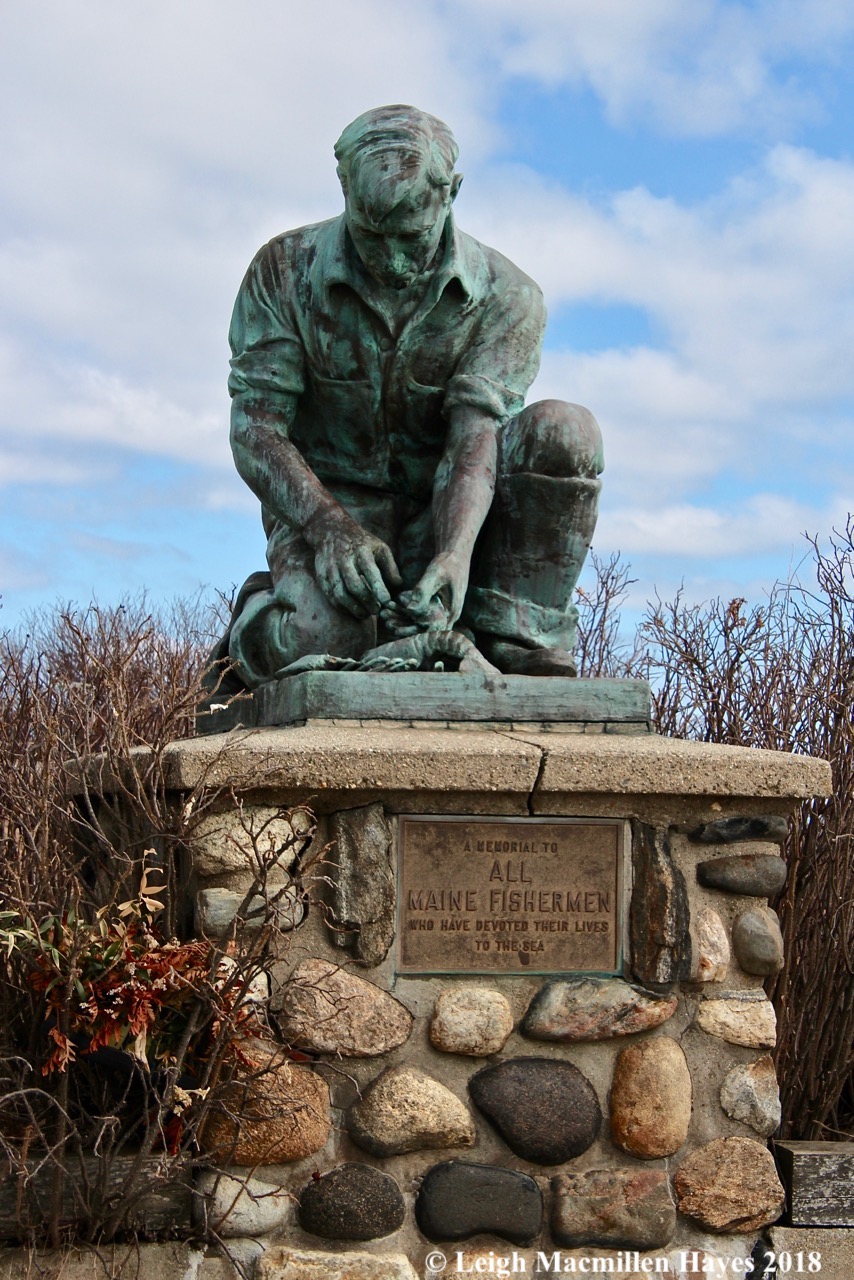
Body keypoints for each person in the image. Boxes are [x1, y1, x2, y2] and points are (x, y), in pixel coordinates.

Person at [217, 104, 604, 690]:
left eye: (410, 235)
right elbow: (256, 428)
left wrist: (453, 556)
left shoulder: (510, 296)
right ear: (344, 188)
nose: (392, 260)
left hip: (455, 511)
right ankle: (265, 614)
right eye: (373, 236)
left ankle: (518, 638)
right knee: (321, 640)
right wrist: (327, 528)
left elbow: (473, 438)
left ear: (452, 194)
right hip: (333, 512)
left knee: (566, 432)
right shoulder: (280, 271)